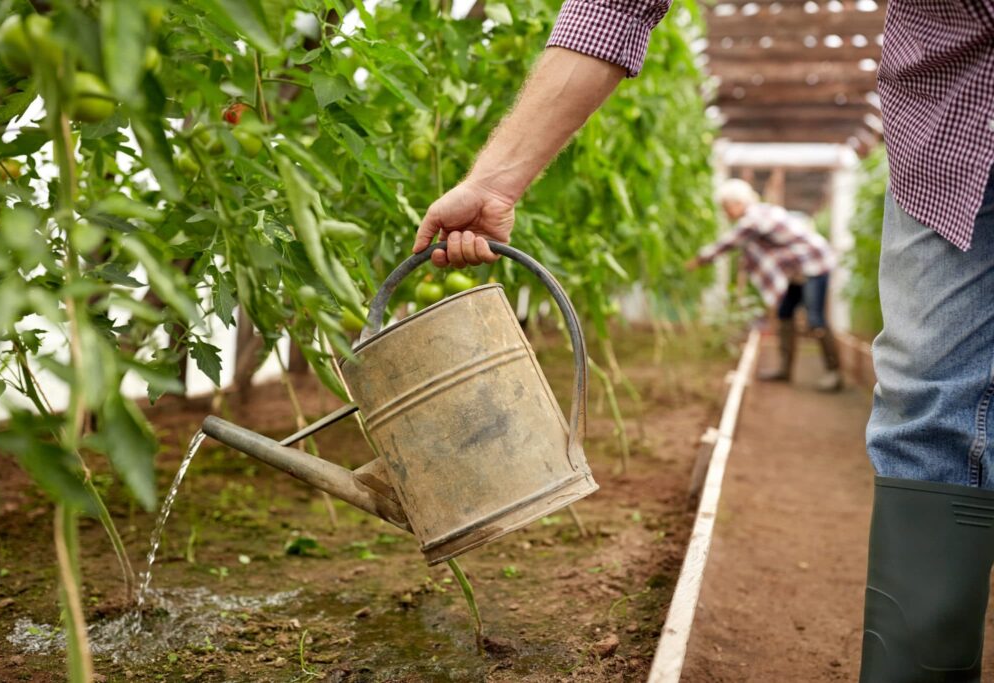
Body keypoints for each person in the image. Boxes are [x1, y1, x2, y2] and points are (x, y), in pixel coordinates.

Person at [413, 2, 994, 680]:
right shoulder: (753, 225)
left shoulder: (762, 219)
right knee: (924, 402)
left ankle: (824, 365)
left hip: (815, 266)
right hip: (954, 129)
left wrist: (716, 267)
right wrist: (494, 179)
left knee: (818, 327)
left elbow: (746, 247)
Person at [685, 178, 841, 392]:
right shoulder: (759, 214)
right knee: (785, 313)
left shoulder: (754, 218)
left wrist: (700, 259)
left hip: (814, 264)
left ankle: (834, 373)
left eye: (726, 207)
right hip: (797, 270)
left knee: (815, 318)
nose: (725, 212)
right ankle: (785, 371)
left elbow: (729, 242)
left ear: (737, 203)